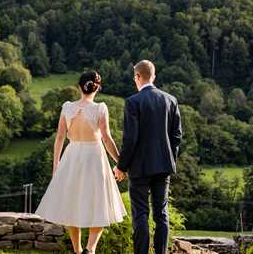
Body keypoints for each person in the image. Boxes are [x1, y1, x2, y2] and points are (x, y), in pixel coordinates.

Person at [35, 71, 127, 254]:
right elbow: (107, 139)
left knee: (72, 203)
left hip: (72, 157)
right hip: (95, 157)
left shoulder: (67, 107)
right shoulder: (100, 108)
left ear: (79, 87)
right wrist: (121, 162)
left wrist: (56, 165)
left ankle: (77, 250)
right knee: (99, 204)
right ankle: (90, 249)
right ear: (97, 88)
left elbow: (60, 138)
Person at [113, 60, 182, 254]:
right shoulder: (170, 100)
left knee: (141, 214)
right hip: (164, 166)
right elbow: (177, 136)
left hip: (140, 168)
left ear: (137, 76)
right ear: (154, 76)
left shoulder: (133, 102)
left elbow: (130, 139)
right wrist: (170, 159)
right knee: (161, 214)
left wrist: (121, 166)